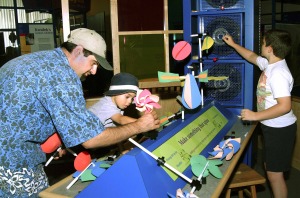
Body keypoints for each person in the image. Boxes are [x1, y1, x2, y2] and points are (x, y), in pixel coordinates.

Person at [0, 28, 160, 197]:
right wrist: (139, 126)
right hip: (12, 160)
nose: (94, 71)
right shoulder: (63, 76)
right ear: (78, 51)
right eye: (93, 63)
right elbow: (91, 140)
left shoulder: (41, 60)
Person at [223, 30, 297, 198]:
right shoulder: (270, 65)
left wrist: (255, 116)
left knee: (275, 176)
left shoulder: (278, 73)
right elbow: (251, 56)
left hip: (281, 130)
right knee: (271, 171)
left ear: (270, 48)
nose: (261, 45)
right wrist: (233, 44)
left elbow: (284, 106)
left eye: (263, 43)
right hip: (272, 127)